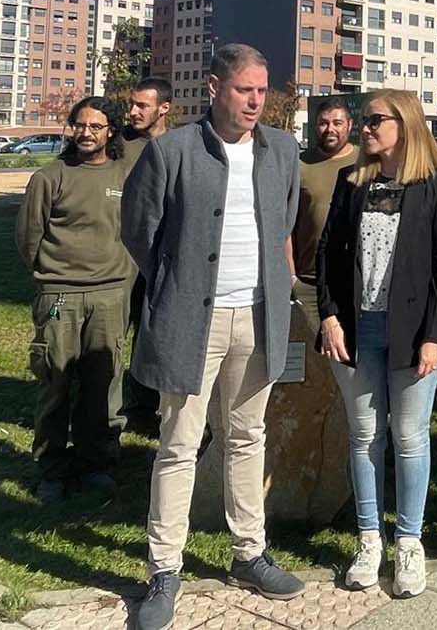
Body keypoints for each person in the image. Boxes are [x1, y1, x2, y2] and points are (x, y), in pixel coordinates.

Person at [122, 44, 305, 630]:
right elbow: (140, 232)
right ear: (213, 88)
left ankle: (249, 552)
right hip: (192, 321)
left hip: (258, 316)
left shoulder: (282, 150)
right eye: (244, 89)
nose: (256, 101)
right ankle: (164, 570)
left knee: (247, 436)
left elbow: (284, 224)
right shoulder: (170, 151)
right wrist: (177, 283)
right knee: (178, 443)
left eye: (262, 90)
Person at [316, 89, 437, 599]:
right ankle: (370, 539)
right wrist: (329, 317)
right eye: (364, 120)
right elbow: (327, 256)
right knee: (364, 437)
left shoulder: (433, 183)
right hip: (356, 331)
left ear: (405, 124)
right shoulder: (350, 181)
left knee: (410, 439)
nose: (365, 128)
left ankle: (410, 543)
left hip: (414, 334)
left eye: (375, 120)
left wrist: (436, 335)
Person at [16, 96, 130, 506]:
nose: (86, 133)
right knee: (56, 384)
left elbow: (137, 229)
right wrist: (51, 277)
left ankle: (96, 463)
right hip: (60, 294)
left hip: (110, 294)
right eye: (79, 125)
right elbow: (29, 238)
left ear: (110, 131)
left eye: (95, 126)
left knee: (103, 383)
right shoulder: (50, 177)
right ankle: (51, 469)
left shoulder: (126, 174)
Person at [121, 76, 173, 434]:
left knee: (155, 334)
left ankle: (152, 405)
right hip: (123, 259)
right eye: (132, 104)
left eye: (142, 105)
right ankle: (126, 407)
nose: (133, 111)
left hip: (164, 260)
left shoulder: (180, 145)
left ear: (164, 108)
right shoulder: (120, 145)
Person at [292, 97, 357, 285]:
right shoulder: (299, 164)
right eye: (323, 123)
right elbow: (285, 228)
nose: (330, 129)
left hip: (353, 279)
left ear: (349, 125)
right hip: (309, 279)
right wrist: (291, 278)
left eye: (337, 123)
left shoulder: (366, 162)